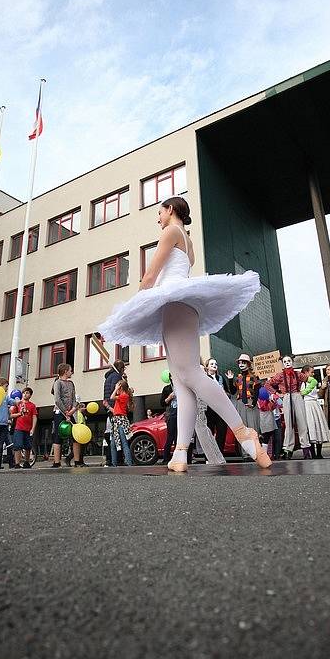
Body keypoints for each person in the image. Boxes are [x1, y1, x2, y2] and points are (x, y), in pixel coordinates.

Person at [97, 195, 271, 472]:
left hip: (176, 303)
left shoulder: (171, 231)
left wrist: (132, 309)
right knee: (181, 382)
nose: (158, 217)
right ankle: (180, 452)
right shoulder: (188, 243)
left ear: (171, 209)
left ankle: (243, 432)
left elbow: (151, 274)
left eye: (160, 211)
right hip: (177, 305)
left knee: (190, 374)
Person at [265, 357, 312, 459]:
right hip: (286, 396)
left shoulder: (298, 374)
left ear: (292, 362)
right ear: (282, 363)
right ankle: (288, 450)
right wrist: (276, 394)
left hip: (297, 396)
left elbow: (312, 381)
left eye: (289, 361)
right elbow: (267, 384)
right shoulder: (280, 375)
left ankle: (306, 450)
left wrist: (304, 392)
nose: (287, 363)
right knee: (289, 424)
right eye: (285, 361)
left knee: (302, 423)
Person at [52, 364, 80, 468]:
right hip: (59, 413)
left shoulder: (71, 383)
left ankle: (77, 461)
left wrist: (72, 410)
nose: (71, 372)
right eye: (70, 370)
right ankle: (56, 462)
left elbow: (74, 399)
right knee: (57, 436)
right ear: (65, 371)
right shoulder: (57, 383)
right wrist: (65, 412)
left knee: (75, 435)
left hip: (70, 412)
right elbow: (57, 400)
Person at [226, 355, 261, 435]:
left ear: (248, 364)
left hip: (250, 402)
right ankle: (243, 448)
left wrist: (253, 403)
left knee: (252, 427)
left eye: (243, 363)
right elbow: (233, 392)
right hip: (240, 404)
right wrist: (230, 380)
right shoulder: (238, 378)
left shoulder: (254, 377)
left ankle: (254, 446)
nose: (241, 364)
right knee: (243, 429)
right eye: (239, 363)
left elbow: (257, 391)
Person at [300, 366, 330, 458]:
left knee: (318, 426)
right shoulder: (302, 383)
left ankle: (319, 453)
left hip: (315, 404)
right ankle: (313, 453)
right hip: (307, 405)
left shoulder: (313, 382)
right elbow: (301, 394)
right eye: (311, 372)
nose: (313, 374)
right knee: (310, 428)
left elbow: (316, 394)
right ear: (305, 373)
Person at [102, 361, 126, 466]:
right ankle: (116, 460)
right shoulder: (116, 376)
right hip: (115, 407)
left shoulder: (109, 377)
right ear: (121, 368)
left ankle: (111, 459)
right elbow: (115, 390)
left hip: (109, 406)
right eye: (124, 368)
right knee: (118, 435)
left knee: (112, 433)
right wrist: (126, 387)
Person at [204, 359, 230, 452]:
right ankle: (209, 456)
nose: (214, 365)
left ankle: (220, 454)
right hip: (209, 409)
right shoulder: (204, 378)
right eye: (212, 364)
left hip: (221, 409)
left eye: (216, 364)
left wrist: (225, 393)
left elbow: (228, 393)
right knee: (209, 433)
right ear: (207, 367)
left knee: (222, 432)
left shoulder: (221, 378)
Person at [110, 379, 133, 466]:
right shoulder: (121, 396)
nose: (116, 388)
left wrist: (116, 389)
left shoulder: (124, 395)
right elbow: (115, 410)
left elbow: (111, 397)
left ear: (121, 387)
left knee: (123, 442)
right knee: (113, 443)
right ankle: (114, 463)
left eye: (118, 386)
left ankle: (129, 462)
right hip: (116, 420)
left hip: (121, 421)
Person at [13, 387, 38, 468]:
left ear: (30, 395)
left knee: (28, 446)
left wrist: (33, 429)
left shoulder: (32, 405)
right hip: (19, 428)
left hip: (28, 428)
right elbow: (11, 415)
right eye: (24, 393)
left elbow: (34, 417)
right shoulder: (18, 404)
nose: (25, 394)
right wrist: (19, 414)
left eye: (27, 393)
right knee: (18, 445)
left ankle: (26, 462)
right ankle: (17, 463)